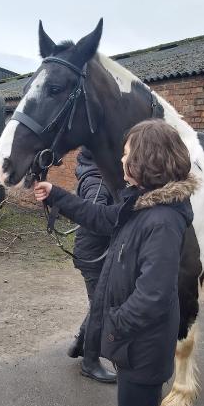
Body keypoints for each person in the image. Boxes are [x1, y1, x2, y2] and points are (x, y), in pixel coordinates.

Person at [34, 119, 198, 406]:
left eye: (127, 155)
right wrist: (56, 194)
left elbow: (154, 295)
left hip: (144, 341)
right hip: (135, 339)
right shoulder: (140, 202)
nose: (121, 160)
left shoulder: (161, 220)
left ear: (146, 161)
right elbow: (102, 219)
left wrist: (113, 324)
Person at [68, 147, 116, 384]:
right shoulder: (98, 182)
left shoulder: (92, 174)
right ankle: (90, 363)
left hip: (93, 254)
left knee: (98, 303)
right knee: (101, 308)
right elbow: (95, 217)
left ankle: (79, 343)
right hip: (94, 257)